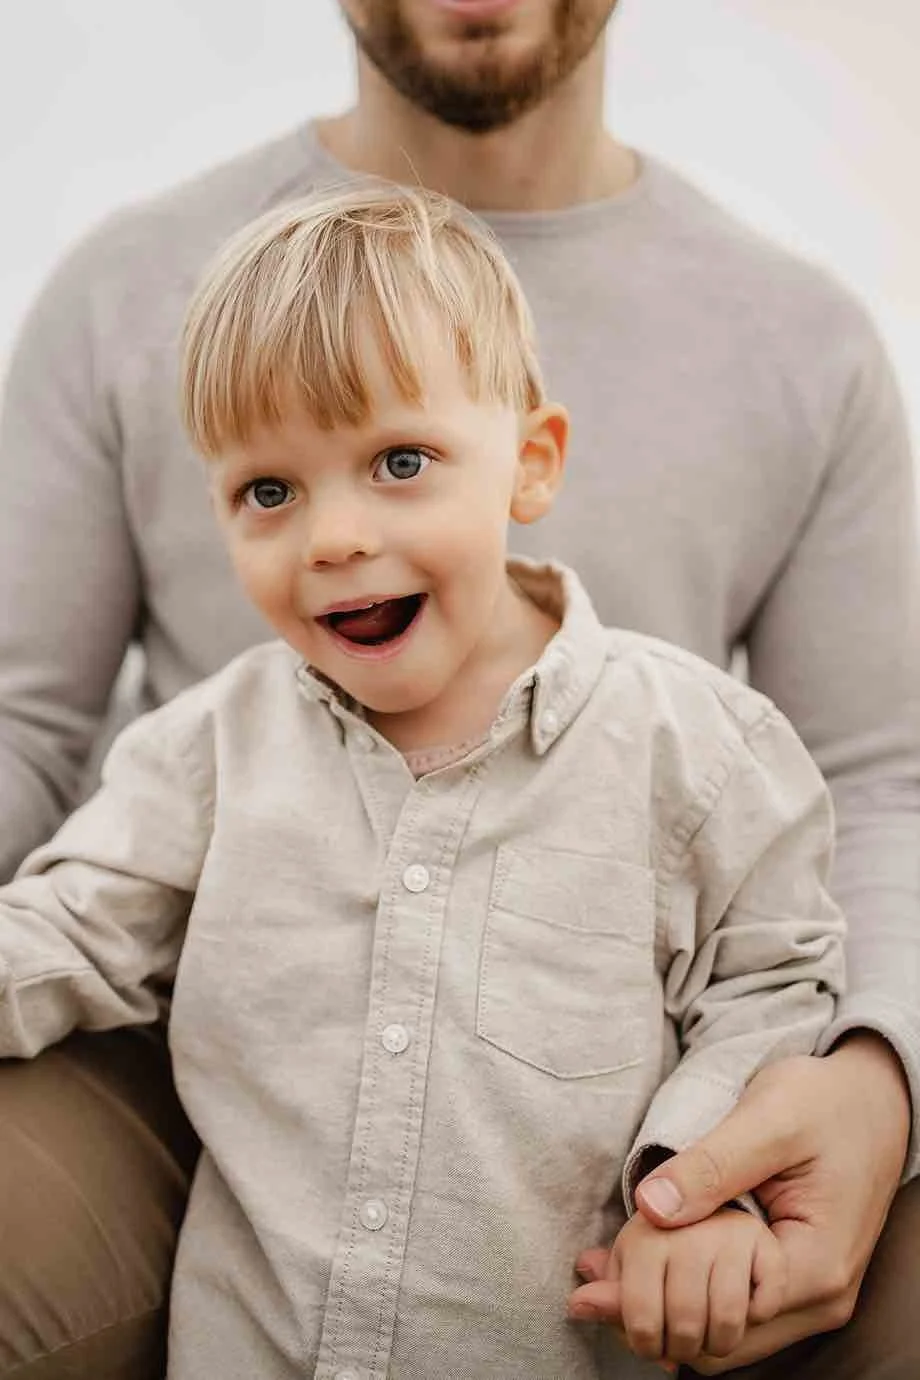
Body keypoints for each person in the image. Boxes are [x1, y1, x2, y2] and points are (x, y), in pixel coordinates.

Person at [0, 2, 916, 1377]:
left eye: (402, 463)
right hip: (214, 1111)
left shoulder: (800, 378)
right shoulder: (211, 739)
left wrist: (836, 1095)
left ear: (534, 464)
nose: (334, 539)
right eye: (266, 490)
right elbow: (56, 846)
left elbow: (838, 843)